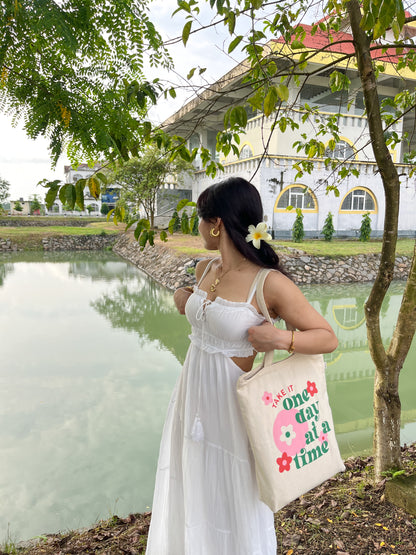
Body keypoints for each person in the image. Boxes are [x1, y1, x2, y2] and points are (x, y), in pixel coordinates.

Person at [146, 177, 338, 555]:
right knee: (194, 482)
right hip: (192, 397)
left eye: (201, 218)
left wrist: (283, 339)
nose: (197, 226)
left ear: (216, 224)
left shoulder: (268, 283)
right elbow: (203, 309)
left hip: (234, 407)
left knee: (233, 489)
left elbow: (327, 337)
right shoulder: (205, 269)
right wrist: (183, 298)